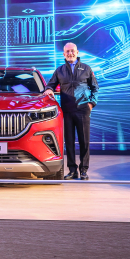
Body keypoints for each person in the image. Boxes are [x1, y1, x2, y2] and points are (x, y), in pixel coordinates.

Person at [44, 43, 99, 180]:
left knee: (84, 141)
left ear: (77, 52)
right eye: (67, 51)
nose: (70, 53)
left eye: (72, 51)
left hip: (83, 110)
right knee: (69, 142)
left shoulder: (86, 68)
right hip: (67, 111)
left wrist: (91, 103)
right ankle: (72, 170)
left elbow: (95, 88)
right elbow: (50, 85)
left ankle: (84, 170)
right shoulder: (60, 70)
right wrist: (49, 89)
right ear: (64, 54)